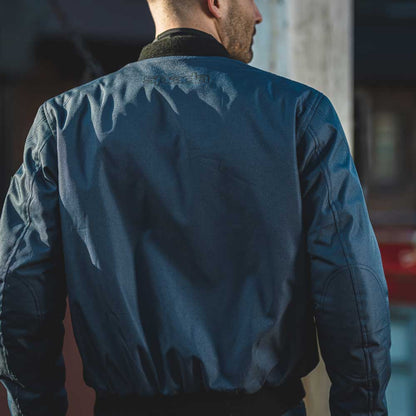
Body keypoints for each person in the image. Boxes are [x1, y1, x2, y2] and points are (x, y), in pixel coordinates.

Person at [0, 0, 392, 415]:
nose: (259, 14)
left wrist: (36, 408)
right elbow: (352, 289)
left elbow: (18, 294)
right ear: (216, 3)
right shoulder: (300, 114)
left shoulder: (64, 124)